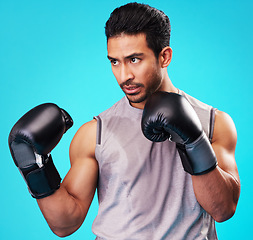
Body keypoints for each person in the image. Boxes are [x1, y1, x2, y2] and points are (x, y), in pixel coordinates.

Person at [8, 3, 240, 239]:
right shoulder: (94, 134)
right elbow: (65, 224)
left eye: (134, 59)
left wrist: (194, 140)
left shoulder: (213, 122)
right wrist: (34, 167)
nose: (124, 76)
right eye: (115, 62)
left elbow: (223, 210)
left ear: (164, 56)